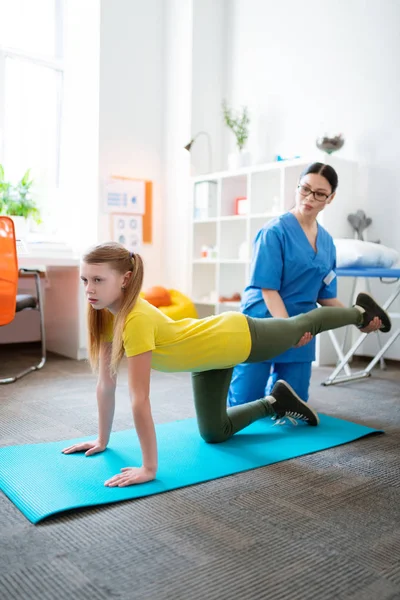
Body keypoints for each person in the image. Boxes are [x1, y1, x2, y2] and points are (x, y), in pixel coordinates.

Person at [62, 242, 389, 487]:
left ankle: (362, 313)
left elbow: (140, 399)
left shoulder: (134, 320)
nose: (89, 289)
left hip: (234, 336)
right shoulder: (105, 317)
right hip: (206, 361)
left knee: (303, 325)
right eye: (84, 280)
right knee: (214, 433)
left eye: (98, 280)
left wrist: (149, 469)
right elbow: (106, 384)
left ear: (125, 279)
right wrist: (101, 440)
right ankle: (276, 402)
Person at [228, 162, 375, 407]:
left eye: (319, 194)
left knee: (292, 406)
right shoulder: (274, 232)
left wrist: (359, 318)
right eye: (304, 189)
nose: (309, 198)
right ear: (297, 187)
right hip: (264, 322)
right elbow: (268, 289)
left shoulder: (327, 243)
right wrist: (288, 330)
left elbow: (326, 297)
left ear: (331, 198)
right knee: (244, 405)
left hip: (303, 332)